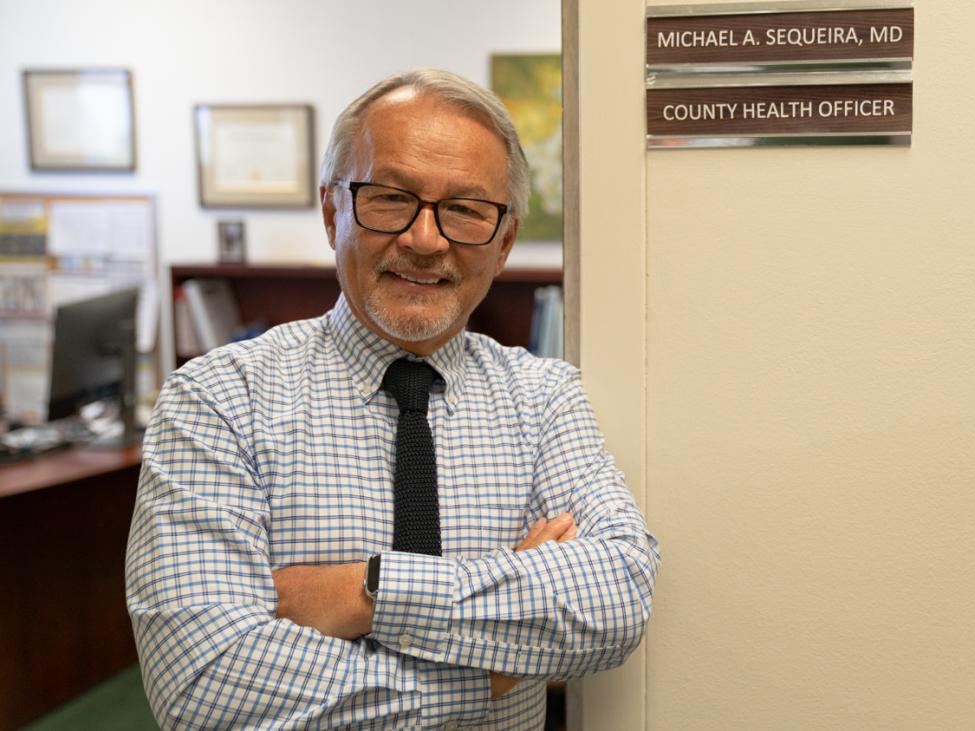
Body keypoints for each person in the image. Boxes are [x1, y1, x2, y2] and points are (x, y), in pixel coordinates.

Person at [126, 69, 659, 730]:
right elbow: (205, 686)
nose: (426, 239)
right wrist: (490, 672)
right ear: (332, 212)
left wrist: (367, 591)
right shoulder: (217, 400)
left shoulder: (543, 398)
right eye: (391, 197)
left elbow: (617, 597)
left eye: (465, 209)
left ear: (505, 241)